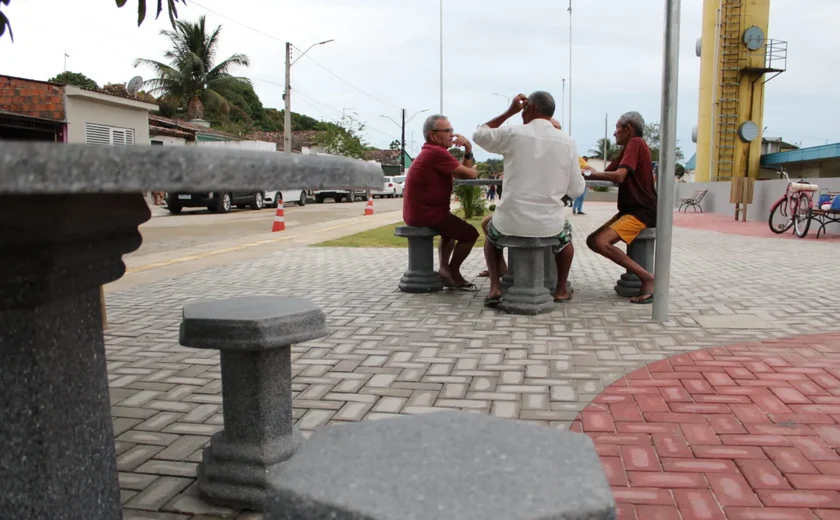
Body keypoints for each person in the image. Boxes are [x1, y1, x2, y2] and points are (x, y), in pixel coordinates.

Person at [472, 92, 585, 306]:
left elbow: (480, 134)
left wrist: (509, 111)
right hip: (549, 224)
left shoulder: (514, 133)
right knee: (566, 237)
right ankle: (560, 289)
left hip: (510, 222)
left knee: (491, 237)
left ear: (530, 108)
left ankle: (495, 287)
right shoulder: (567, 142)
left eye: (523, 109)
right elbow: (577, 189)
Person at [584, 111, 657, 304]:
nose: (614, 133)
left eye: (617, 128)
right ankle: (645, 277)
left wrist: (586, 174)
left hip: (641, 211)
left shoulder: (636, 143)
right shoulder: (627, 149)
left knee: (601, 242)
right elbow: (606, 173)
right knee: (592, 240)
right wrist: (583, 170)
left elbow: (618, 176)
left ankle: (647, 278)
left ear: (628, 129)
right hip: (630, 210)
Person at [403, 114, 479, 290]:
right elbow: (470, 174)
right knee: (470, 234)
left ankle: (445, 269)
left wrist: (467, 149)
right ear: (433, 135)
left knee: (451, 230)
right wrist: (470, 157)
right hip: (426, 213)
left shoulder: (433, 152)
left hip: (422, 212)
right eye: (447, 131)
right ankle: (452, 271)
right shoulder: (436, 153)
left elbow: (462, 173)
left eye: (451, 130)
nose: (452, 135)